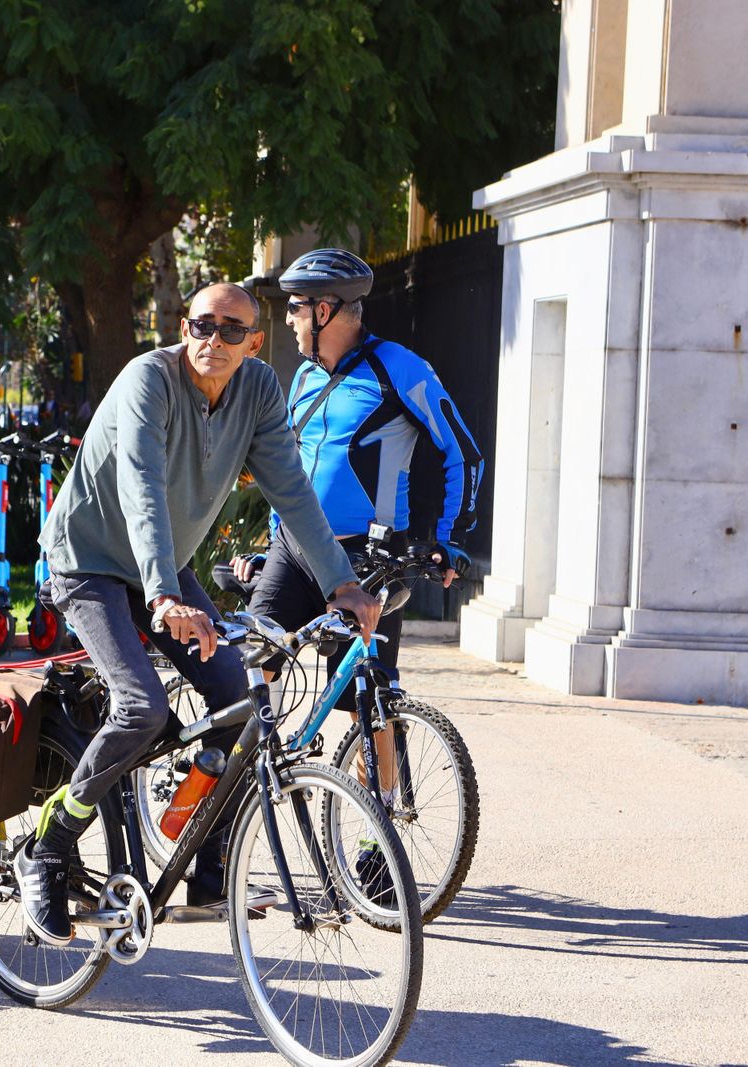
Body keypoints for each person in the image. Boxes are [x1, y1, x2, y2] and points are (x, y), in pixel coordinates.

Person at [17, 282, 381, 946]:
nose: (213, 340)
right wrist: (163, 595)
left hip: (164, 567)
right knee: (141, 707)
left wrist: (342, 584)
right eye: (201, 326)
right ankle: (49, 843)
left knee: (234, 698)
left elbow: (291, 491)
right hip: (92, 561)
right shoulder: (146, 381)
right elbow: (142, 489)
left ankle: (207, 862)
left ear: (254, 341)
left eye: (230, 329)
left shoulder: (259, 392)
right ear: (186, 328)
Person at [233, 249, 483, 860]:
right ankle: (214, 819)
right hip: (295, 549)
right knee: (251, 670)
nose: (288, 319)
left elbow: (463, 454)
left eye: (295, 308)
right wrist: (270, 546)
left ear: (327, 309)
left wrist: (449, 538)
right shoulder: (302, 376)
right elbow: (287, 470)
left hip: (370, 558)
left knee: (370, 698)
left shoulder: (402, 369)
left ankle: (377, 840)